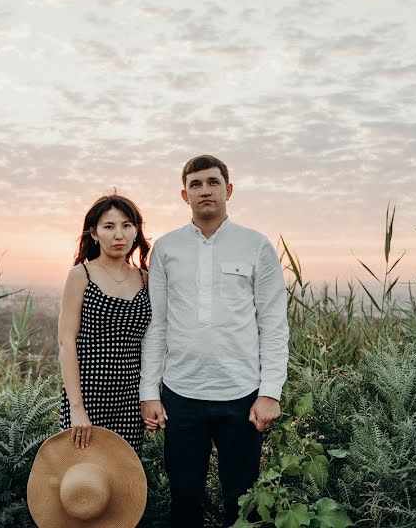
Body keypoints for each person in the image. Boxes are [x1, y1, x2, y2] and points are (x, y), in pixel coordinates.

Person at [140, 154, 290, 528]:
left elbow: (274, 323)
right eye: (195, 184)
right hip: (181, 395)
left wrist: (270, 391)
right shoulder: (166, 249)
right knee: (184, 500)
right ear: (183, 194)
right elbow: (156, 324)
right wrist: (149, 391)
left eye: (212, 182)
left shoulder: (256, 245)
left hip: (241, 396)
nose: (204, 190)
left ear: (229, 189)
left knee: (242, 504)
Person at [58, 194, 152, 454]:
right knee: (84, 478)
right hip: (88, 395)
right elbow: (66, 343)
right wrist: (77, 408)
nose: (118, 235)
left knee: (121, 480)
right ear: (95, 233)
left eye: (126, 226)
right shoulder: (81, 275)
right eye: (109, 227)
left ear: (136, 231)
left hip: (130, 399)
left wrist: (151, 396)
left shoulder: (146, 280)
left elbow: (155, 342)